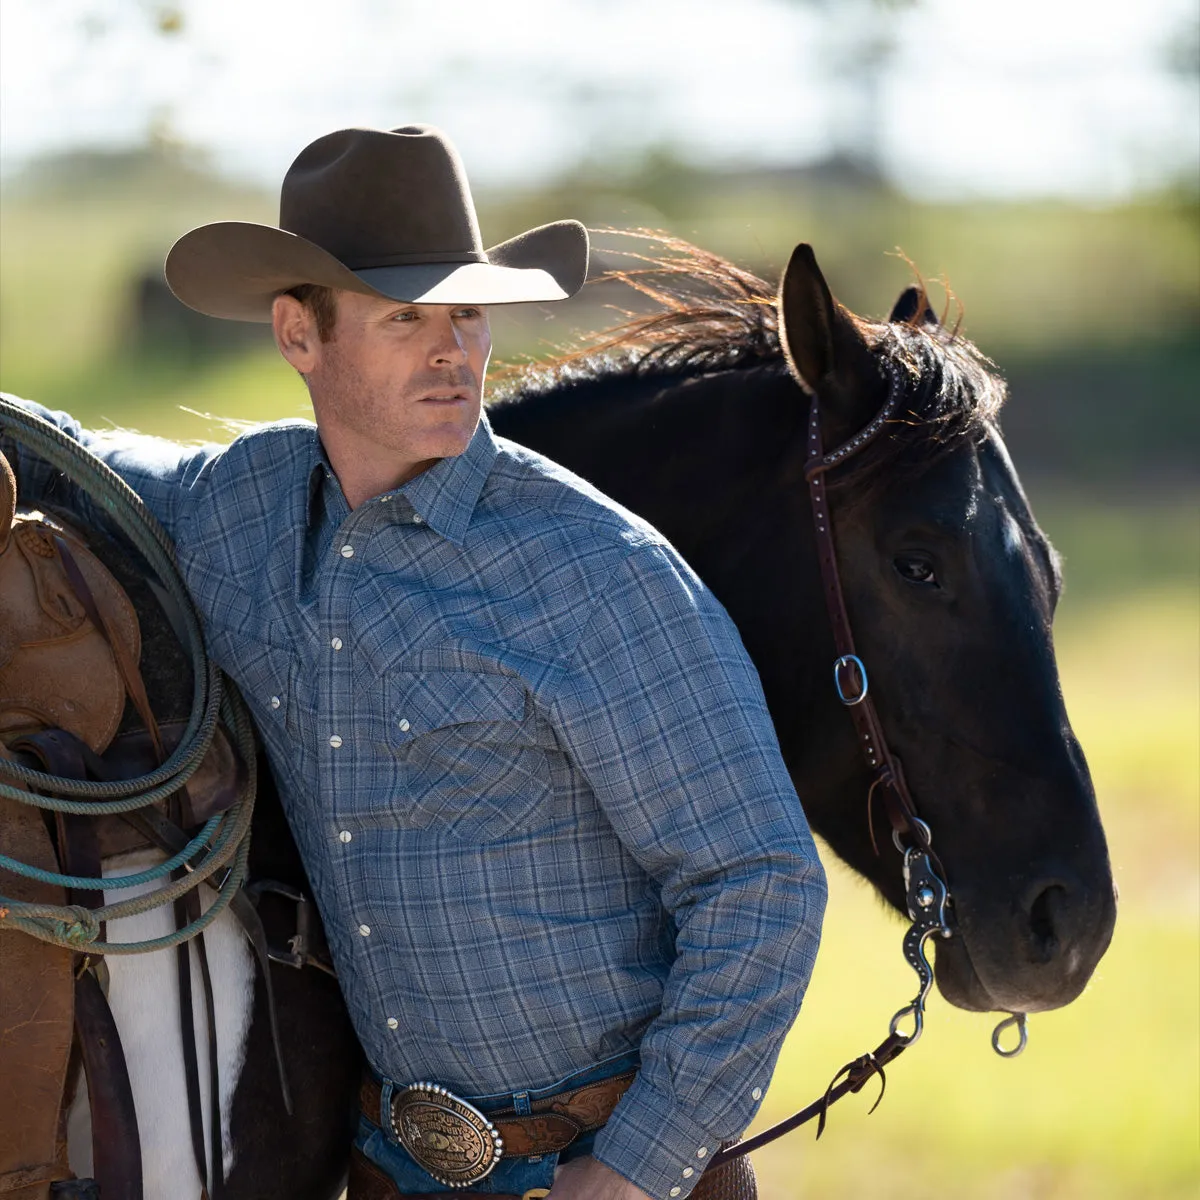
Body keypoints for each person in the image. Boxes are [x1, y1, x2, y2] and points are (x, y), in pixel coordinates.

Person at [2, 126, 826, 1200]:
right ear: (300, 335)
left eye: (468, 315)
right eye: (407, 319)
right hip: (386, 1166)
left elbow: (759, 882)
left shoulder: (595, 573)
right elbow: (74, 453)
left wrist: (635, 1168)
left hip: (602, 1165)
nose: (454, 351)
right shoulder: (240, 509)